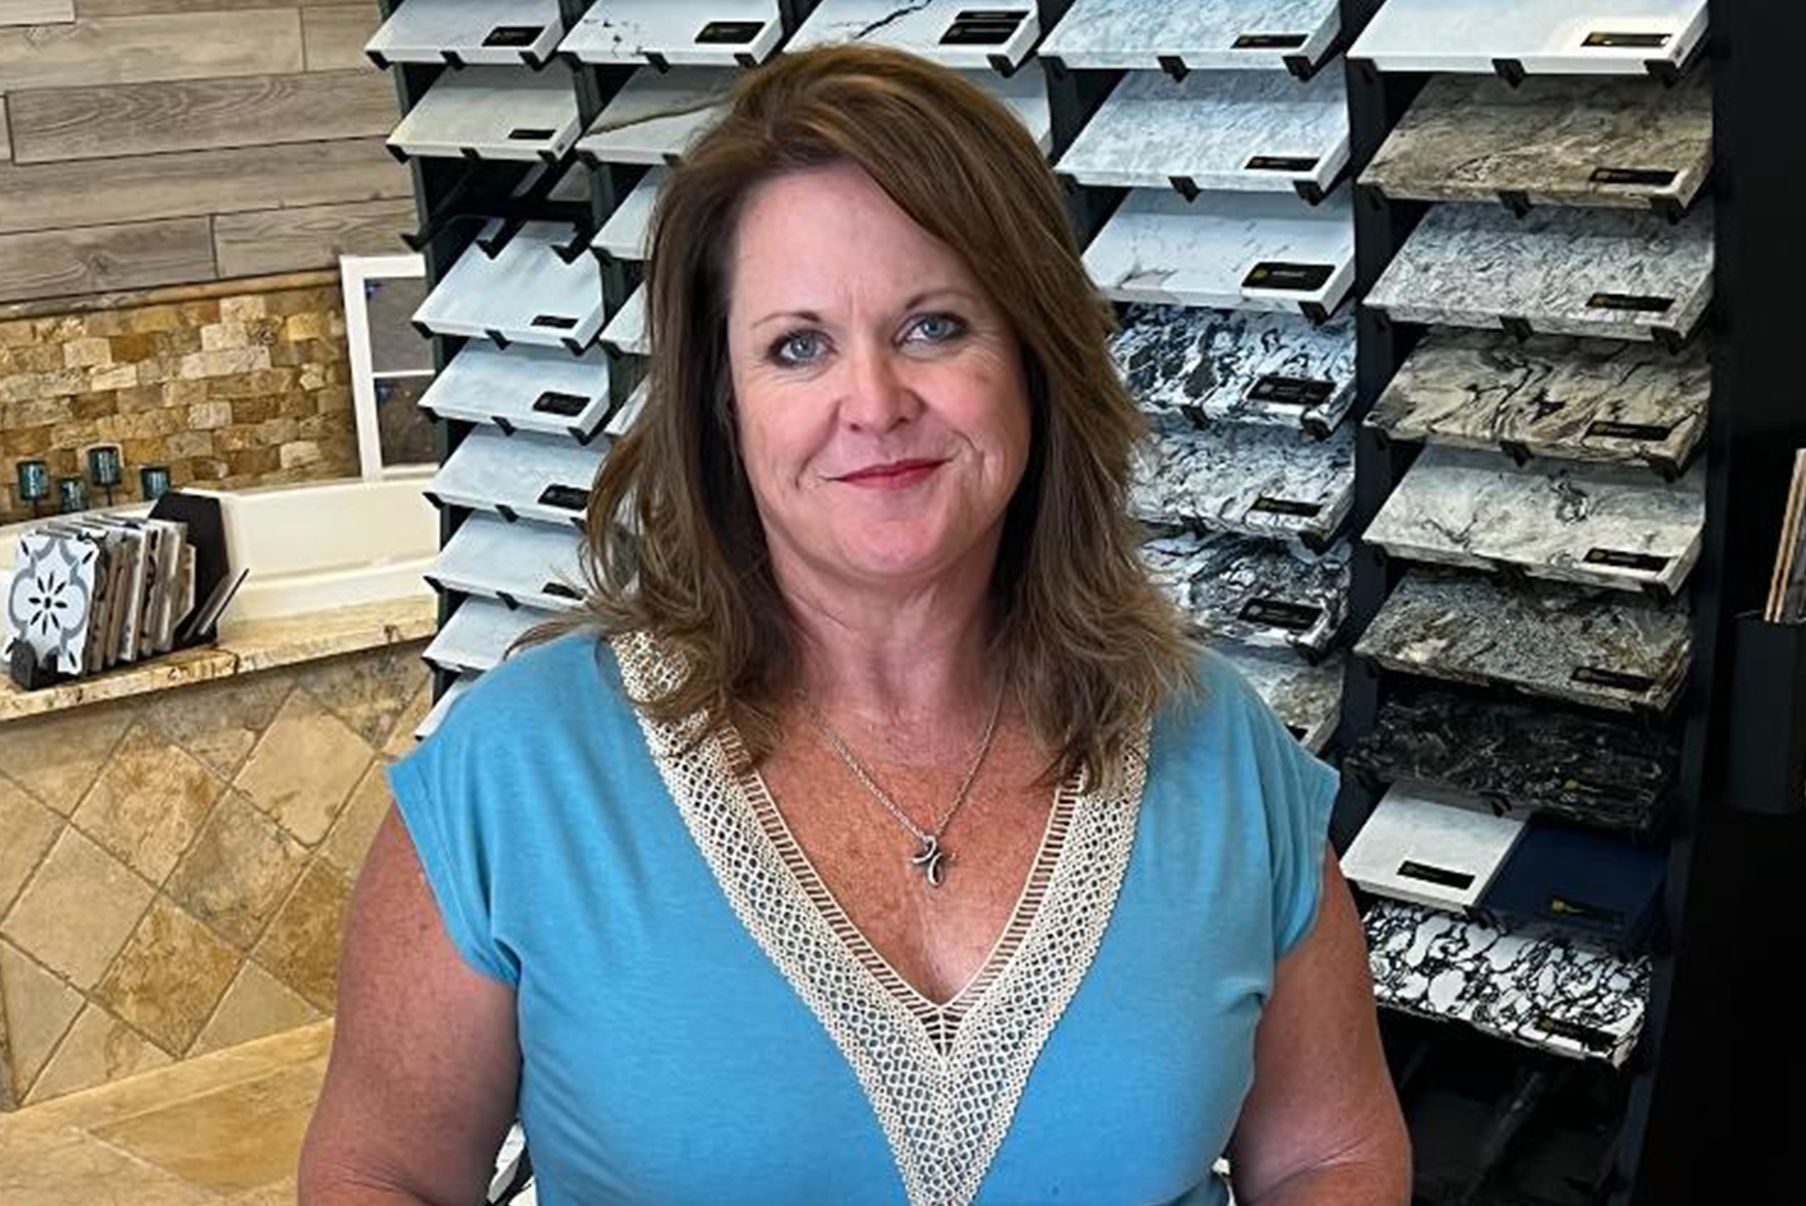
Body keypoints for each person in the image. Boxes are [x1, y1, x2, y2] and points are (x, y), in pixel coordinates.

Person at [299, 44, 1409, 1206]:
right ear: (723, 405)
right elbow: (383, 1174)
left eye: (935, 326)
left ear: (1035, 360)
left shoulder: (1218, 752)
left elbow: (1329, 1153)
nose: (874, 403)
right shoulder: (520, 777)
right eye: (799, 346)